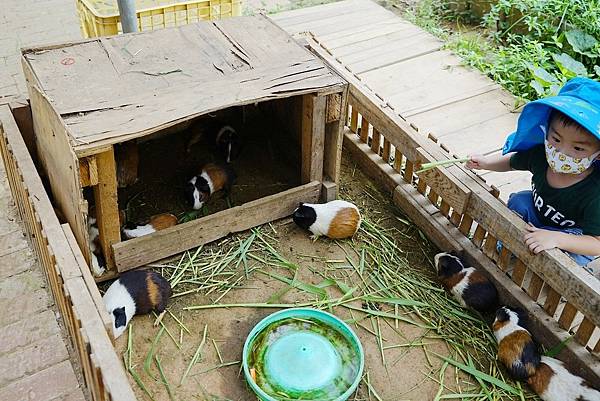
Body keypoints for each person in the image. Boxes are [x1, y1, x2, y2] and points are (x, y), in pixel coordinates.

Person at [467, 77, 600, 272]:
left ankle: (550, 272)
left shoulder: (595, 193)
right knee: (520, 201)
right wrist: (486, 163)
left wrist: (556, 238)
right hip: (538, 217)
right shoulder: (541, 155)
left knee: (572, 256)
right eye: (556, 139)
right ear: (546, 132)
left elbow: (596, 243)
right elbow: (512, 163)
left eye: (578, 148)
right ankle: (512, 245)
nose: (562, 152)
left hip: (571, 234)